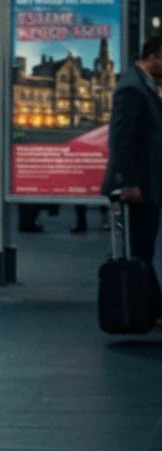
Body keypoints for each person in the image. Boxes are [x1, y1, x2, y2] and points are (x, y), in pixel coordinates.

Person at [101, 33, 162, 322]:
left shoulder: (145, 86)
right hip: (138, 185)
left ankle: (150, 308)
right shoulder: (132, 88)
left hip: (147, 183)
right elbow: (121, 139)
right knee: (141, 248)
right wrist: (128, 183)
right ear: (155, 56)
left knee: (144, 249)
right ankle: (147, 309)